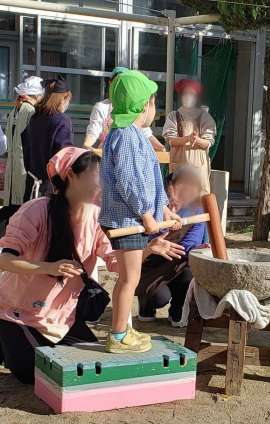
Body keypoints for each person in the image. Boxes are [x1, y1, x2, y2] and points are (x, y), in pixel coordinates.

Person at [0, 146, 185, 384]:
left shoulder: (98, 217)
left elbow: (116, 263)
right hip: (18, 313)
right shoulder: (35, 210)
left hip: (60, 317)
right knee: (32, 373)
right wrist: (49, 268)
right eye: (97, 174)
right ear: (71, 175)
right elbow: (4, 259)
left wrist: (149, 249)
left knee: (84, 369)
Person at [99, 70, 181, 354]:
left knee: (128, 277)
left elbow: (149, 181)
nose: (154, 109)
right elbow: (131, 181)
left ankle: (125, 328)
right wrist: (147, 214)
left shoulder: (130, 134)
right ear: (144, 105)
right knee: (129, 279)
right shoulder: (126, 136)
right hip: (128, 218)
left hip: (133, 215)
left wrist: (164, 211)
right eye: (153, 103)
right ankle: (119, 335)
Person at [136, 165, 209, 326]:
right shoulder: (149, 210)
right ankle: (146, 305)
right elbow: (135, 248)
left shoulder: (197, 211)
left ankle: (178, 310)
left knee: (189, 271)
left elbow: (190, 245)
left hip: (179, 261)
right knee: (159, 298)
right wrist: (151, 247)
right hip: (151, 263)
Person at [83, 66, 164, 154]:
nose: (123, 89)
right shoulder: (102, 107)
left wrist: (160, 147)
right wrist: (87, 145)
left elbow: (146, 132)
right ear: (111, 84)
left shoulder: (134, 107)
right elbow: (94, 130)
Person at [0, 77, 44, 230]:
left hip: (14, 167)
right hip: (25, 169)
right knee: (21, 207)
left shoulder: (15, 110)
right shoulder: (30, 111)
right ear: (36, 95)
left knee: (12, 205)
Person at [22, 75, 73, 201]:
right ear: (64, 98)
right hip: (51, 188)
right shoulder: (62, 120)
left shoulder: (35, 117)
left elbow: (26, 152)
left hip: (31, 184)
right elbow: (63, 156)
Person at [163, 79, 216, 194]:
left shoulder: (205, 116)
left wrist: (197, 140)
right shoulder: (174, 116)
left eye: (191, 94)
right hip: (179, 168)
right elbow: (171, 140)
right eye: (185, 93)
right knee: (178, 198)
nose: (188, 96)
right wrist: (187, 139)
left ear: (197, 97)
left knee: (200, 198)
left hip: (199, 169)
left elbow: (208, 142)